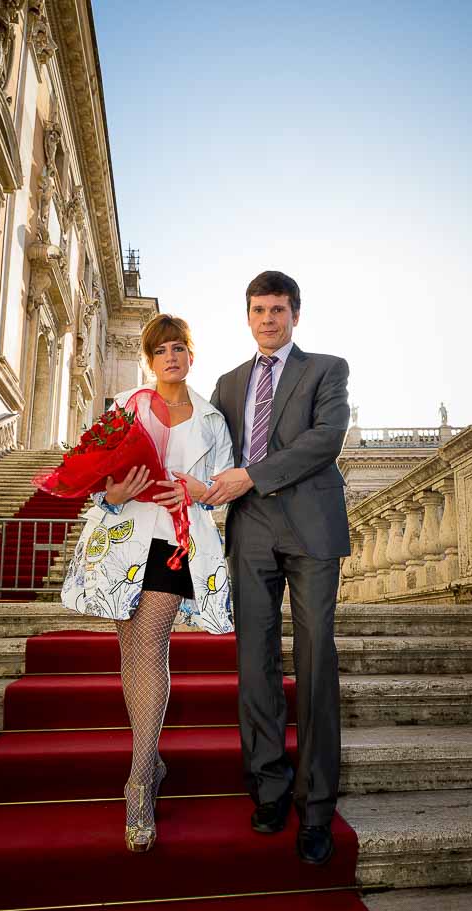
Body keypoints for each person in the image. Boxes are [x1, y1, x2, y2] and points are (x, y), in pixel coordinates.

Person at [62, 314, 234, 852]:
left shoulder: (211, 419)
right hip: (121, 539)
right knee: (130, 648)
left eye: (179, 348)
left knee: (152, 640)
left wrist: (195, 490)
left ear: (191, 355)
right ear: (149, 359)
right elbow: (97, 481)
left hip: (176, 541)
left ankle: (138, 782)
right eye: (161, 350)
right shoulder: (125, 408)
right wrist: (114, 494)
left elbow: (223, 484)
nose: (171, 358)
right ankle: (150, 760)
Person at [202, 271, 350, 865]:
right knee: (254, 660)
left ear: (296, 314)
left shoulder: (326, 369)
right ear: (247, 316)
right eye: (259, 310)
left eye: (279, 309)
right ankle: (268, 788)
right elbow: (208, 451)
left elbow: (326, 440)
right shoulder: (228, 383)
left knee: (315, 661)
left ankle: (316, 808)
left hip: (311, 527)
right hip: (251, 531)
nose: (269, 318)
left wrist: (253, 476)